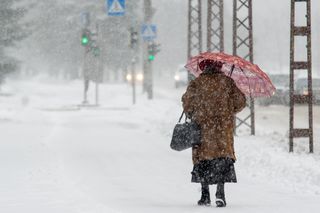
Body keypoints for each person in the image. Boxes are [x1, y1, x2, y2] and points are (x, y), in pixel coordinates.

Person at [182, 59, 246, 207]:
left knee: (203, 160)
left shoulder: (197, 83)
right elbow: (240, 102)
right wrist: (229, 109)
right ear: (220, 67)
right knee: (221, 160)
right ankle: (220, 194)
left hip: (203, 129)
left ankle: (205, 195)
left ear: (203, 68)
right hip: (222, 130)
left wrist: (194, 112)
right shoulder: (227, 82)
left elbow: (187, 103)